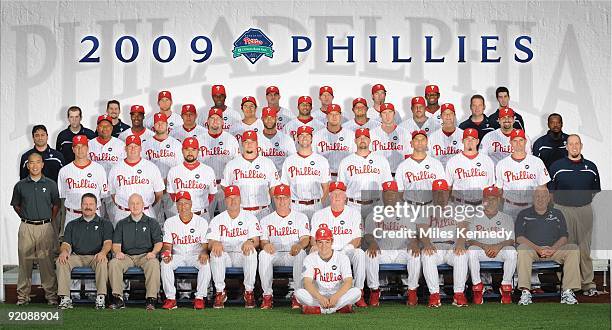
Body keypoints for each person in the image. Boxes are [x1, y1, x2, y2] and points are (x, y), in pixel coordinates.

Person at [548, 134, 601, 297]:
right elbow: (550, 192)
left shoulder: (591, 166)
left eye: (577, 143)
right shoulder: (557, 166)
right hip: (563, 210)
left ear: (581, 145)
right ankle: (568, 284)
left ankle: (587, 283)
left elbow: (594, 191)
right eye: (571, 144)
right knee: (566, 247)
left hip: (584, 209)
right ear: (567, 146)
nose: (574, 147)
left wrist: (580, 202)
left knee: (584, 248)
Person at [515, 186, 580, 305]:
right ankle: (525, 292)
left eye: (544, 196)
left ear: (548, 198)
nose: (540, 199)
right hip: (533, 251)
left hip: (553, 250)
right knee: (522, 249)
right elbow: (519, 237)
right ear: (533, 198)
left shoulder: (557, 213)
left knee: (573, 248)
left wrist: (553, 249)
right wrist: (538, 249)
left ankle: (567, 292)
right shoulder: (523, 214)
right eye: (537, 196)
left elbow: (564, 236)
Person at [11, 152, 60, 306]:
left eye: (38, 162)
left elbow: (56, 205)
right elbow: (16, 205)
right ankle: (23, 297)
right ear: (27, 165)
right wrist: (26, 217)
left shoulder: (51, 184)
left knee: (46, 263)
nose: (35, 165)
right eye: (31, 162)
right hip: (26, 227)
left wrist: (49, 220)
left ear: (42, 164)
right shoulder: (20, 185)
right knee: (25, 263)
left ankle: (51, 297)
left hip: (45, 227)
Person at [310, 181, 367, 307]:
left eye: (340, 193)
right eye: (333, 193)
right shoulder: (319, 215)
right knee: (312, 252)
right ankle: (317, 293)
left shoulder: (354, 213)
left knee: (360, 253)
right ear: (329, 196)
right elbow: (313, 238)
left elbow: (358, 239)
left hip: (347, 250)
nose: (336, 196)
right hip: (326, 250)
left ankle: (359, 292)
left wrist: (347, 249)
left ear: (345, 196)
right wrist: (315, 246)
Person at [364, 181, 421, 306]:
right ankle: (374, 291)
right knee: (369, 254)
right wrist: (372, 243)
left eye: (393, 194)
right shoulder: (373, 214)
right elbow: (368, 234)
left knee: (415, 254)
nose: (390, 197)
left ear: (397, 195)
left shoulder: (408, 213)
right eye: (387, 194)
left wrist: (414, 243)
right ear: (382, 196)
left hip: (402, 252)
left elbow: (413, 235)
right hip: (383, 252)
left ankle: (412, 292)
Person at [207, 186, 261, 309]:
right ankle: (220, 292)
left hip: (242, 255)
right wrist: (215, 243)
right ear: (225, 200)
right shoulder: (217, 219)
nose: (233, 201)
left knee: (251, 251)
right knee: (215, 252)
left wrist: (250, 241)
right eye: (229, 198)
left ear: (240, 199)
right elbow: (210, 243)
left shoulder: (250, 217)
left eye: (235, 198)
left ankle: (249, 292)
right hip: (225, 256)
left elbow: (257, 241)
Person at [56, 193, 113, 310]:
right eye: (85, 204)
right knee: (61, 261)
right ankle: (65, 298)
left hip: (96, 256)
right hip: (77, 257)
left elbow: (108, 243)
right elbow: (66, 244)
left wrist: (103, 253)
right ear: (81, 206)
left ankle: (101, 297)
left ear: (96, 206)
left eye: (91, 204)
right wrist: (64, 252)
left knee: (103, 261)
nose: (88, 206)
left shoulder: (105, 223)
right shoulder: (72, 224)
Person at [418, 179, 469, 308]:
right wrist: (427, 244)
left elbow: (463, 227)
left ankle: (459, 294)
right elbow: (421, 229)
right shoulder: (425, 209)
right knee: (426, 255)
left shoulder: (457, 208)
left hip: (452, 246)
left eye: (443, 192)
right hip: (434, 247)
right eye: (437, 192)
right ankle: (434, 295)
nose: (440, 195)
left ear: (449, 192)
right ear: (432, 193)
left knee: (462, 255)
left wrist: (461, 243)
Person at [258, 184, 310, 309]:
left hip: (292, 254)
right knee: (263, 254)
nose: (281, 201)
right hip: (275, 254)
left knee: (302, 254)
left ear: (290, 198)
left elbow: (305, 239)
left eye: (285, 197)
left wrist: (299, 245)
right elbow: (263, 241)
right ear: (274, 199)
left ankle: (298, 295)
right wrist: (266, 245)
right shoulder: (266, 220)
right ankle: (267, 296)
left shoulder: (301, 217)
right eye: (278, 197)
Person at [108, 193, 163, 310]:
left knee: (154, 263)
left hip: (145, 256)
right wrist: (118, 252)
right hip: (127, 256)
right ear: (128, 205)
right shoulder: (121, 223)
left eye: (138, 203)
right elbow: (116, 245)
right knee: (113, 263)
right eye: (132, 203)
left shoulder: (152, 222)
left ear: (143, 205)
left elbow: (159, 243)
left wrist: (153, 252)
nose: (135, 206)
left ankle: (151, 299)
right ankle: (118, 298)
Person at [160, 191, 211, 310]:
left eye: (186, 203)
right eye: (180, 204)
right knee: (165, 263)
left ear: (191, 204)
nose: (183, 207)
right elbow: (167, 244)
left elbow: (205, 245)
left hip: (195, 255)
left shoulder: (201, 221)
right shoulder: (170, 222)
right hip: (178, 255)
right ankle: (171, 298)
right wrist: (167, 253)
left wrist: (204, 252)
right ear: (176, 206)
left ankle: (200, 298)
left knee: (206, 264)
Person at [467, 186, 516, 305]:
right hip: (482, 251)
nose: (490, 202)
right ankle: (477, 287)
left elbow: (511, 240)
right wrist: (484, 246)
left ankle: (506, 287)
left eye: (493, 199)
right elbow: (470, 240)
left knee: (512, 251)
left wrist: (498, 246)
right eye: (487, 199)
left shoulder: (506, 218)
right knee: (471, 251)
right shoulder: (474, 217)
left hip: (500, 251)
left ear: (499, 200)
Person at [296, 225, 362, 314]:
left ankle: (321, 310)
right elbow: (307, 282)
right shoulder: (310, 258)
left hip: (337, 294)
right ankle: (337, 308)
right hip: (318, 295)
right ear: (315, 242)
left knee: (357, 292)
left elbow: (348, 281)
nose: (324, 246)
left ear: (332, 241)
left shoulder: (342, 257)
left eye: (327, 242)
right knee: (299, 293)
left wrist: (336, 297)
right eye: (320, 242)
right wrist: (320, 297)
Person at [221, 130, 279, 219]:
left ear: (257, 144)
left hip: (263, 211)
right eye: (246, 142)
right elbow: (225, 186)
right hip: (241, 212)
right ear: (242, 144)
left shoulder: (268, 163)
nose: (249, 144)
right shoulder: (232, 164)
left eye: (252, 141)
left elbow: (274, 188)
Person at [108, 135, 164, 226]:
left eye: (136, 146)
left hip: (146, 212)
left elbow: (159, 193)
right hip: (123, 213)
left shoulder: (151, 167)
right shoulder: (115, 168)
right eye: (130, 146)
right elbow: (113, 193)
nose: (133, 149)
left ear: (141, 148)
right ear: (125, 148)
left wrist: (147, 205)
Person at [338, 128, 393, 218]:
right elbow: (341, 189)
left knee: (375, 231)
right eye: (359, 138)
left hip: (376, 205)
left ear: (370, 140)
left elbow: (387, 187)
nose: (362, 140)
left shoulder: (381, 160)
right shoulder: (345, 162)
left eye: (365, 137)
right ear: (355, 141)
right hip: (353, 205)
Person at [57, 135, 109, 230]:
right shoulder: (64, 171)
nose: (80, 150)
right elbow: (63, 196)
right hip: (72, 216)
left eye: (83, 146)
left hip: (94, 216)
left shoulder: (99, 169)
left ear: (88, 148)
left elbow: (103, 195)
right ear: (73, 149)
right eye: (77, 147)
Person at [280, 125, 330, 219]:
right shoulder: (289, 160)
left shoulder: (321, 160)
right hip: (295, 206)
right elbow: (285, 187)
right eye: (301, 135)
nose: (304, 138)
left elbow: (326, 187)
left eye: (307, 135)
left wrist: (320, 202)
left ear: (312, 139)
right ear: (297, 139)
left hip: (316, 205)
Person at [140, 113, 182, 222]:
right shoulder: (145, 145)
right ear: (153, 125)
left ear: (167, 125)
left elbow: (181, 168)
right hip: (152, 189)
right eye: (157, 123)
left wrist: (167, 181)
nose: (160, 125)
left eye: (162, 123)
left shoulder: (176, 144)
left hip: (172, 187)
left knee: (175, 219)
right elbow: (142, 168)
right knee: (152, 220)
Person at [197, 108, 240, 215]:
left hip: (225, 186)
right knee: (204, 217)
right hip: (205, 186)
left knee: (229, 217)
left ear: (222, 121)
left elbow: (237, 165)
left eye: (218, 118)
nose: (215, 121)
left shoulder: (231, 140)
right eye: (212, 118)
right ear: (207, 121)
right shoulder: (199, 140)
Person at [166, 137, 217, 220]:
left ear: (198, 151)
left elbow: (211, 194)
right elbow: (172, 195)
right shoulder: (174, 171)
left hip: (202, 215)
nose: (190, 153)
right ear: (182, 151)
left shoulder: (208, 170)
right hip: (180, 215)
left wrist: (200, 205)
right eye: (187, 149)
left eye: (193, 150)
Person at [88, 115, 126, 221]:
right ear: (97, 128)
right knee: (95, 220)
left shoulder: (120, 145)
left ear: (112, 127)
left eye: (107, 125)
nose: (104, 128)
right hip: (95, 188)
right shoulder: (89, 145)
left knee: (116, 220)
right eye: (101, 126)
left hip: (114, 187)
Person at [445, 128, 495, 206]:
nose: (470, 141)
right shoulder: (452, 161)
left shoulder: (487, 161)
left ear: (478, 141)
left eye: (473, 139)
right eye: (467, 139)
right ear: (462, 141)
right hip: (460, 204)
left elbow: (490, 186)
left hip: (481, 204)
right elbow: (448, 187)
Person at [395, 130, 446, 206]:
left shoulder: (436, 164)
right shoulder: (402, 166)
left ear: (427, 143)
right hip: (410, 206)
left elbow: (442, 190)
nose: (420, 142)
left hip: (431, 205)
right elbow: (399, 192)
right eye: (416, 140)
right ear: (411, 144)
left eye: (422, 139)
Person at [312, 104, 355, 180]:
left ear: (340, 116)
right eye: (331, 114)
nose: (334, 117)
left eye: (336, 114)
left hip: (346, 176)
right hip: (324, 177)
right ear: (326, 116)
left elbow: (355, 158)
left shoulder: (351, 135)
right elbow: (313, 158)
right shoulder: (317, 135)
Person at [369, 102, 413, 174]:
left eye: (390, 112)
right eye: (384, 113)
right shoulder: (372, 133)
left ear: (394, 114)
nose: (387, 115)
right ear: (380, 115)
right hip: (378, 174)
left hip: (398, 174)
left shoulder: (404, 133)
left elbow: (409, 156)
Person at [258, 106, 296, 172]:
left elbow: (293, 161)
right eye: (266, 117)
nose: (269, 120)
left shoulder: (286, 139)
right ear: (262, 119)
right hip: (262, 178)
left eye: (272, 117)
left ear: (276, 118)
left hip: (282, 179)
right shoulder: (256, 139)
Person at [427, 103, 464, 167]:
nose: (448, 116)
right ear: (441, 116)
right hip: (440, 173)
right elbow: (428, 159)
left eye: (451, 113)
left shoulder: (463, 134)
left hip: (459, 172)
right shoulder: (432, 137)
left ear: (454, 115)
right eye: (445, 114)